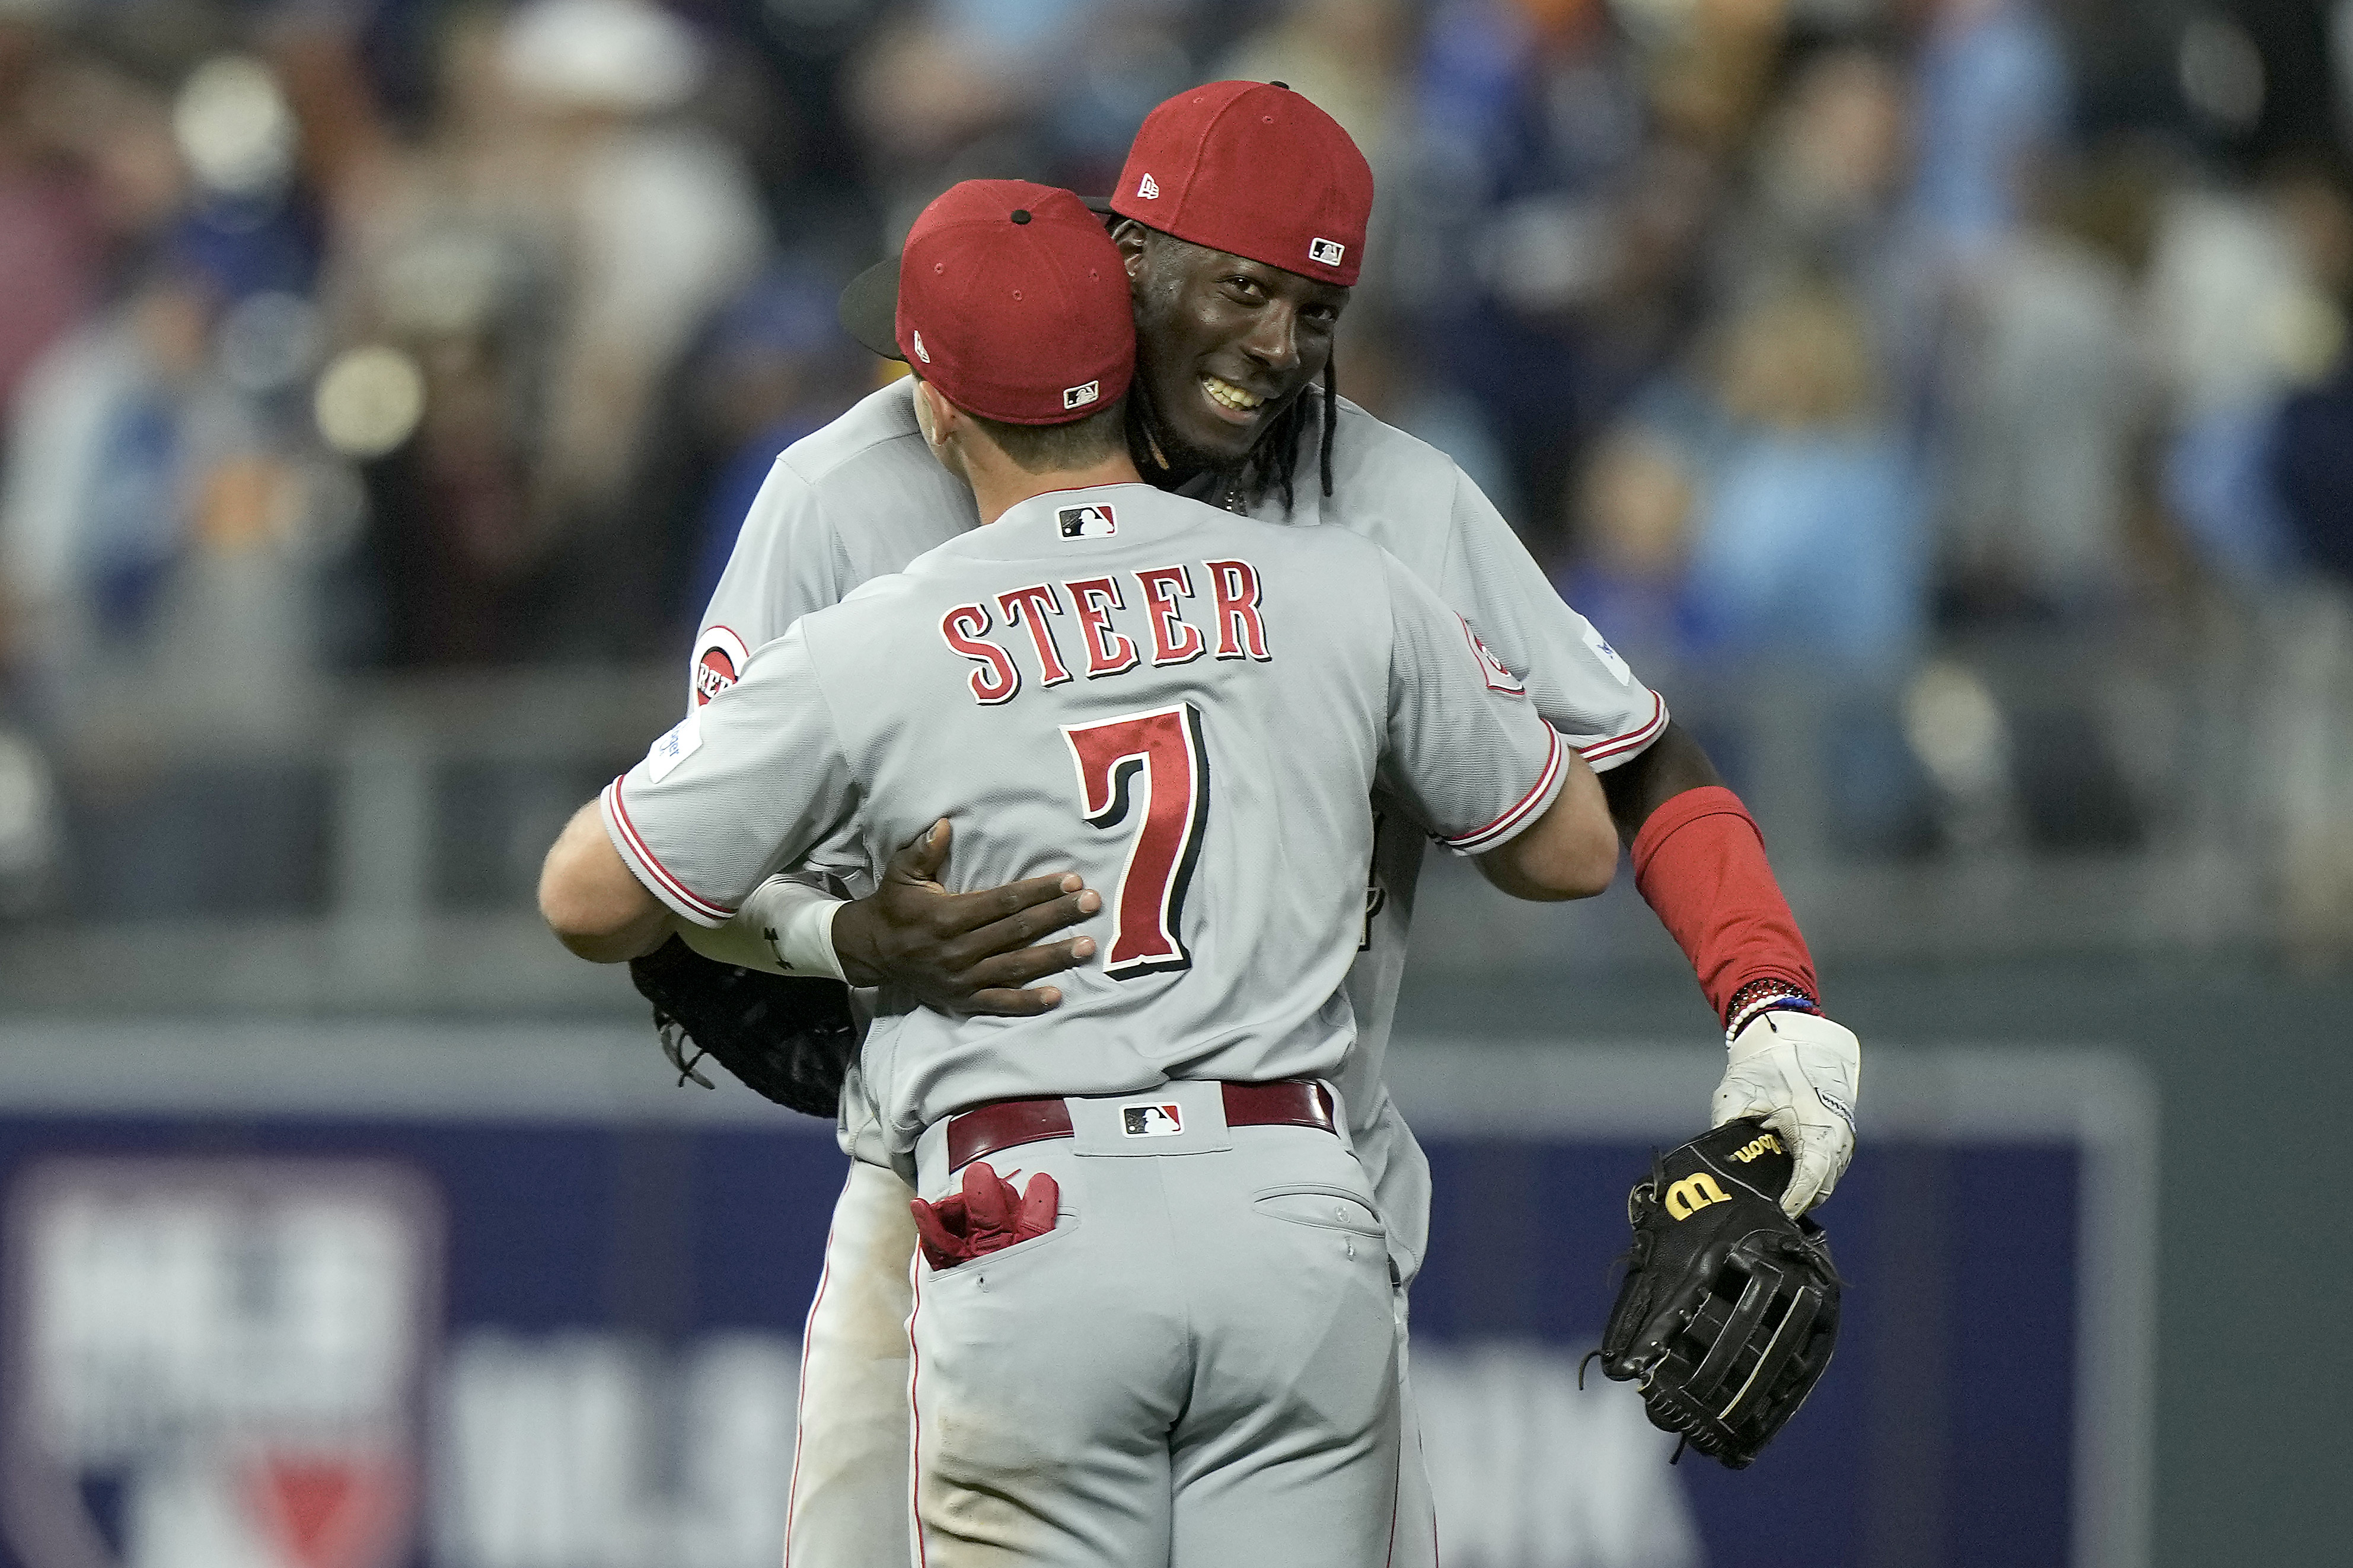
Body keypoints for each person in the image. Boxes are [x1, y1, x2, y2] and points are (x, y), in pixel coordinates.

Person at [672, 82, 1860, 1567]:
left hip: (1301, 1197)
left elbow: (1628, 760)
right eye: (1240, 286)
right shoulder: (863, 481)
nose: (1274, 347)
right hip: (960, 1210)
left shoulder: (1386, 502)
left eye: (1314, 308)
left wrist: (1768, 999)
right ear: (1126, 254)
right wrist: (812, 936)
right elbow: (681, 856)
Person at [538, 178, 1622, 1565]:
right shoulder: (1341, 582)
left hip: (1026, 1201)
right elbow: (1573, 847)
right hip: (1295, 1193)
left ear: (935, 406)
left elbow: (587, 896)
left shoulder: (885, 638)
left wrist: (841, 941)